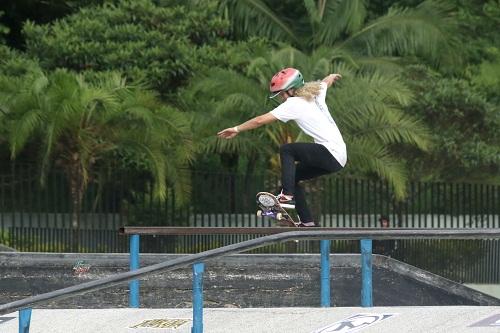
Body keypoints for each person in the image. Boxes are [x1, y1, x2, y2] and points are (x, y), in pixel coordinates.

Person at [217, 68, 347, 227]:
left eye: (282, 94)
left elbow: (260, 120)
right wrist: (332, 76)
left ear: (291, 90)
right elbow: (326, 82)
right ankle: (307, 222)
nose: (282, 98)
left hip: (330, 153)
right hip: (338, 158)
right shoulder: (315, 92)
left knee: (287, 150)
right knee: (294, 178)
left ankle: (286, 196)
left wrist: (236, 129)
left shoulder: (294, 103)